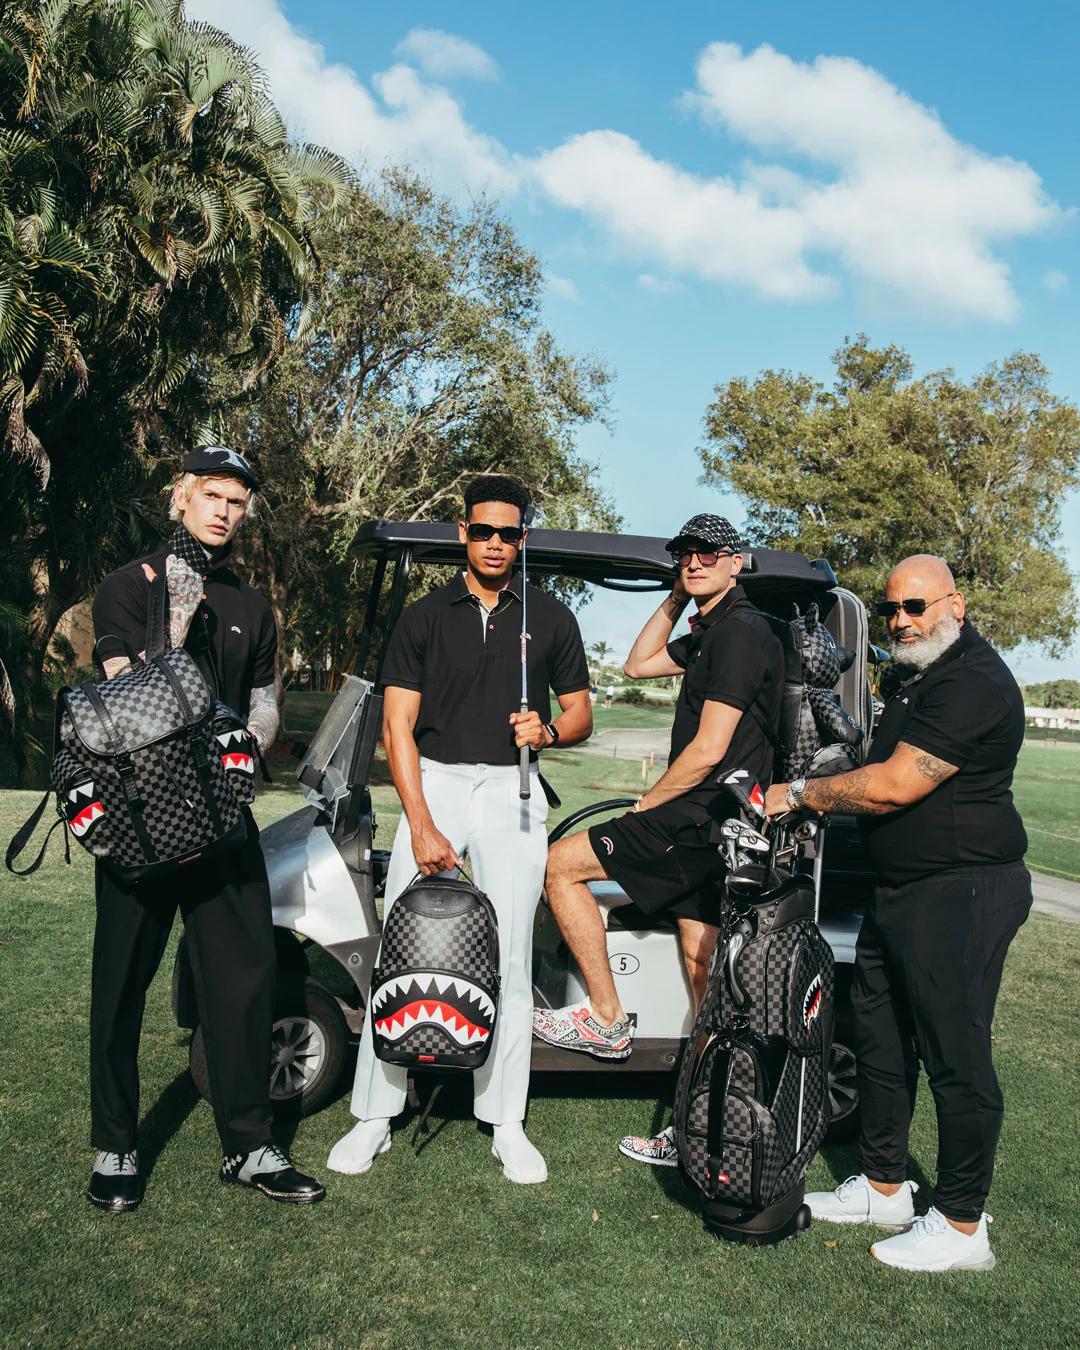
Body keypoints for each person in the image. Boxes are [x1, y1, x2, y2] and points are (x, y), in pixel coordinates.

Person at [765, 554, 1030, 1273]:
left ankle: (963, 1224)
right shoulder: (914, 676)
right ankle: (885, 1187)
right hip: (902, 889)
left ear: (956, 604)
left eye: (916, 606)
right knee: (880, 1039)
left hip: (963, 891)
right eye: (891, 610)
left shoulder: (973, 682)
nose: (901, 621)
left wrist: (800, 794)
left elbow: (892, 787)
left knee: (954, 1055)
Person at [328, 474, 592, 1184]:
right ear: (462, 533)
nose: (495, 543)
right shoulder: (424, 617)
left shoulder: (552, 617)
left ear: (523, 538)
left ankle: (505, 1121)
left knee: (508, 956)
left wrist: (549, 731)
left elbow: (581, 713)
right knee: (405, 949)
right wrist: (420, 823)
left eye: (509, 532)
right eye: (483, 530)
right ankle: (374, 1115)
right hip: (436, 783)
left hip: (514, 787)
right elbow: (398, 727)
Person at [87, 446, 324, 1212]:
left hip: (223, 818)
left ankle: (249, 1145)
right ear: (181, 497)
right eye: (212, 495)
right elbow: (130, 692)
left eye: (237, 501)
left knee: (245, 979)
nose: (224, 511)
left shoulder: (253, 606)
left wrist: (248, 743)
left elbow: (264, 701)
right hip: (142, 815)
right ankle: (116, 1146)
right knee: (121, 983)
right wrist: (182, 608)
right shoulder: (129, 586)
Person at [533, 513, 782, 1168]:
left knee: (562, 865)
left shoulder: (741, 634)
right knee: (704, 973)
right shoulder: (710, 631)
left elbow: (709, 749)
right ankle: (704, 1125)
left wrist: (651, 802)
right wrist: (676, 598)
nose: (694, 562)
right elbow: (639, 663)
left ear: (736, 562)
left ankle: (605, 1019)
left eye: (708, 554)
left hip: (700, 814)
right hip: (718, 824)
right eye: (684, 554)